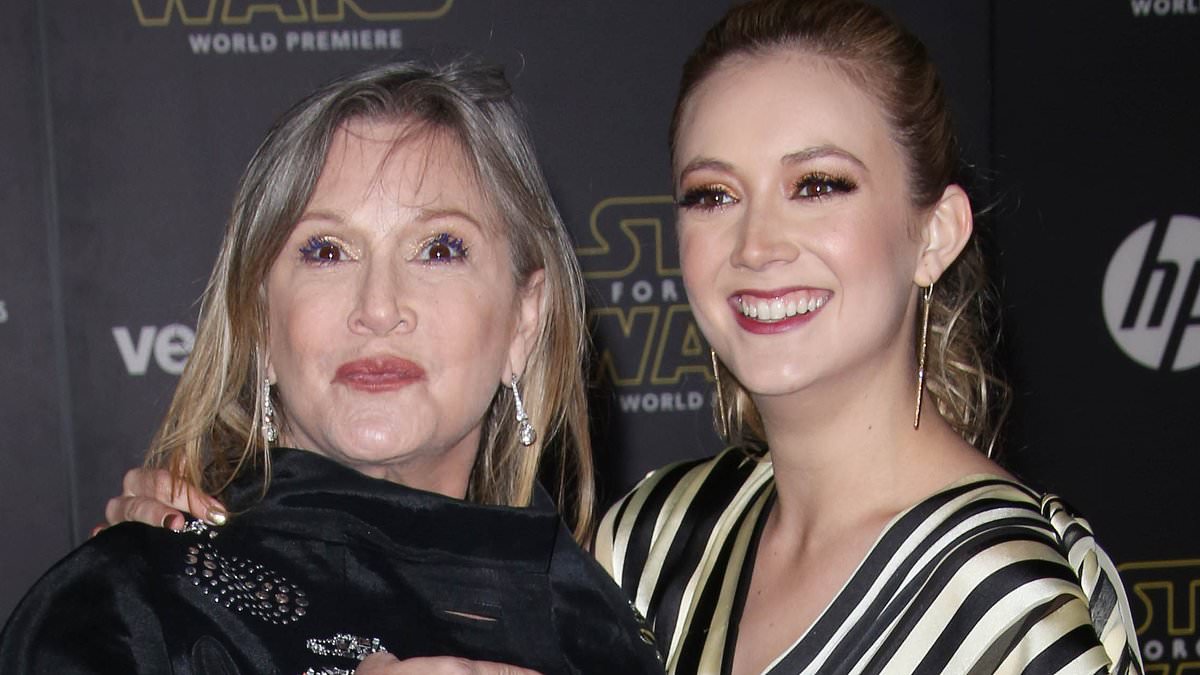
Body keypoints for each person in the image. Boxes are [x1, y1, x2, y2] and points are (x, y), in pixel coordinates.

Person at [97, 2, 1145, 674]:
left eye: (819, 184)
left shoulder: (1008, 596)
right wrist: (185, 567)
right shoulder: (652, 541)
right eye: (713, 194)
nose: (758, 244)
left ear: (936, 232)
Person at [0, 60, 663, 675]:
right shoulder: (129, 611)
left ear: (522, 319)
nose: (378, 307)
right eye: (326, 250)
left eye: (438, 248)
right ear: (259, 318)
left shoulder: (595, 628)